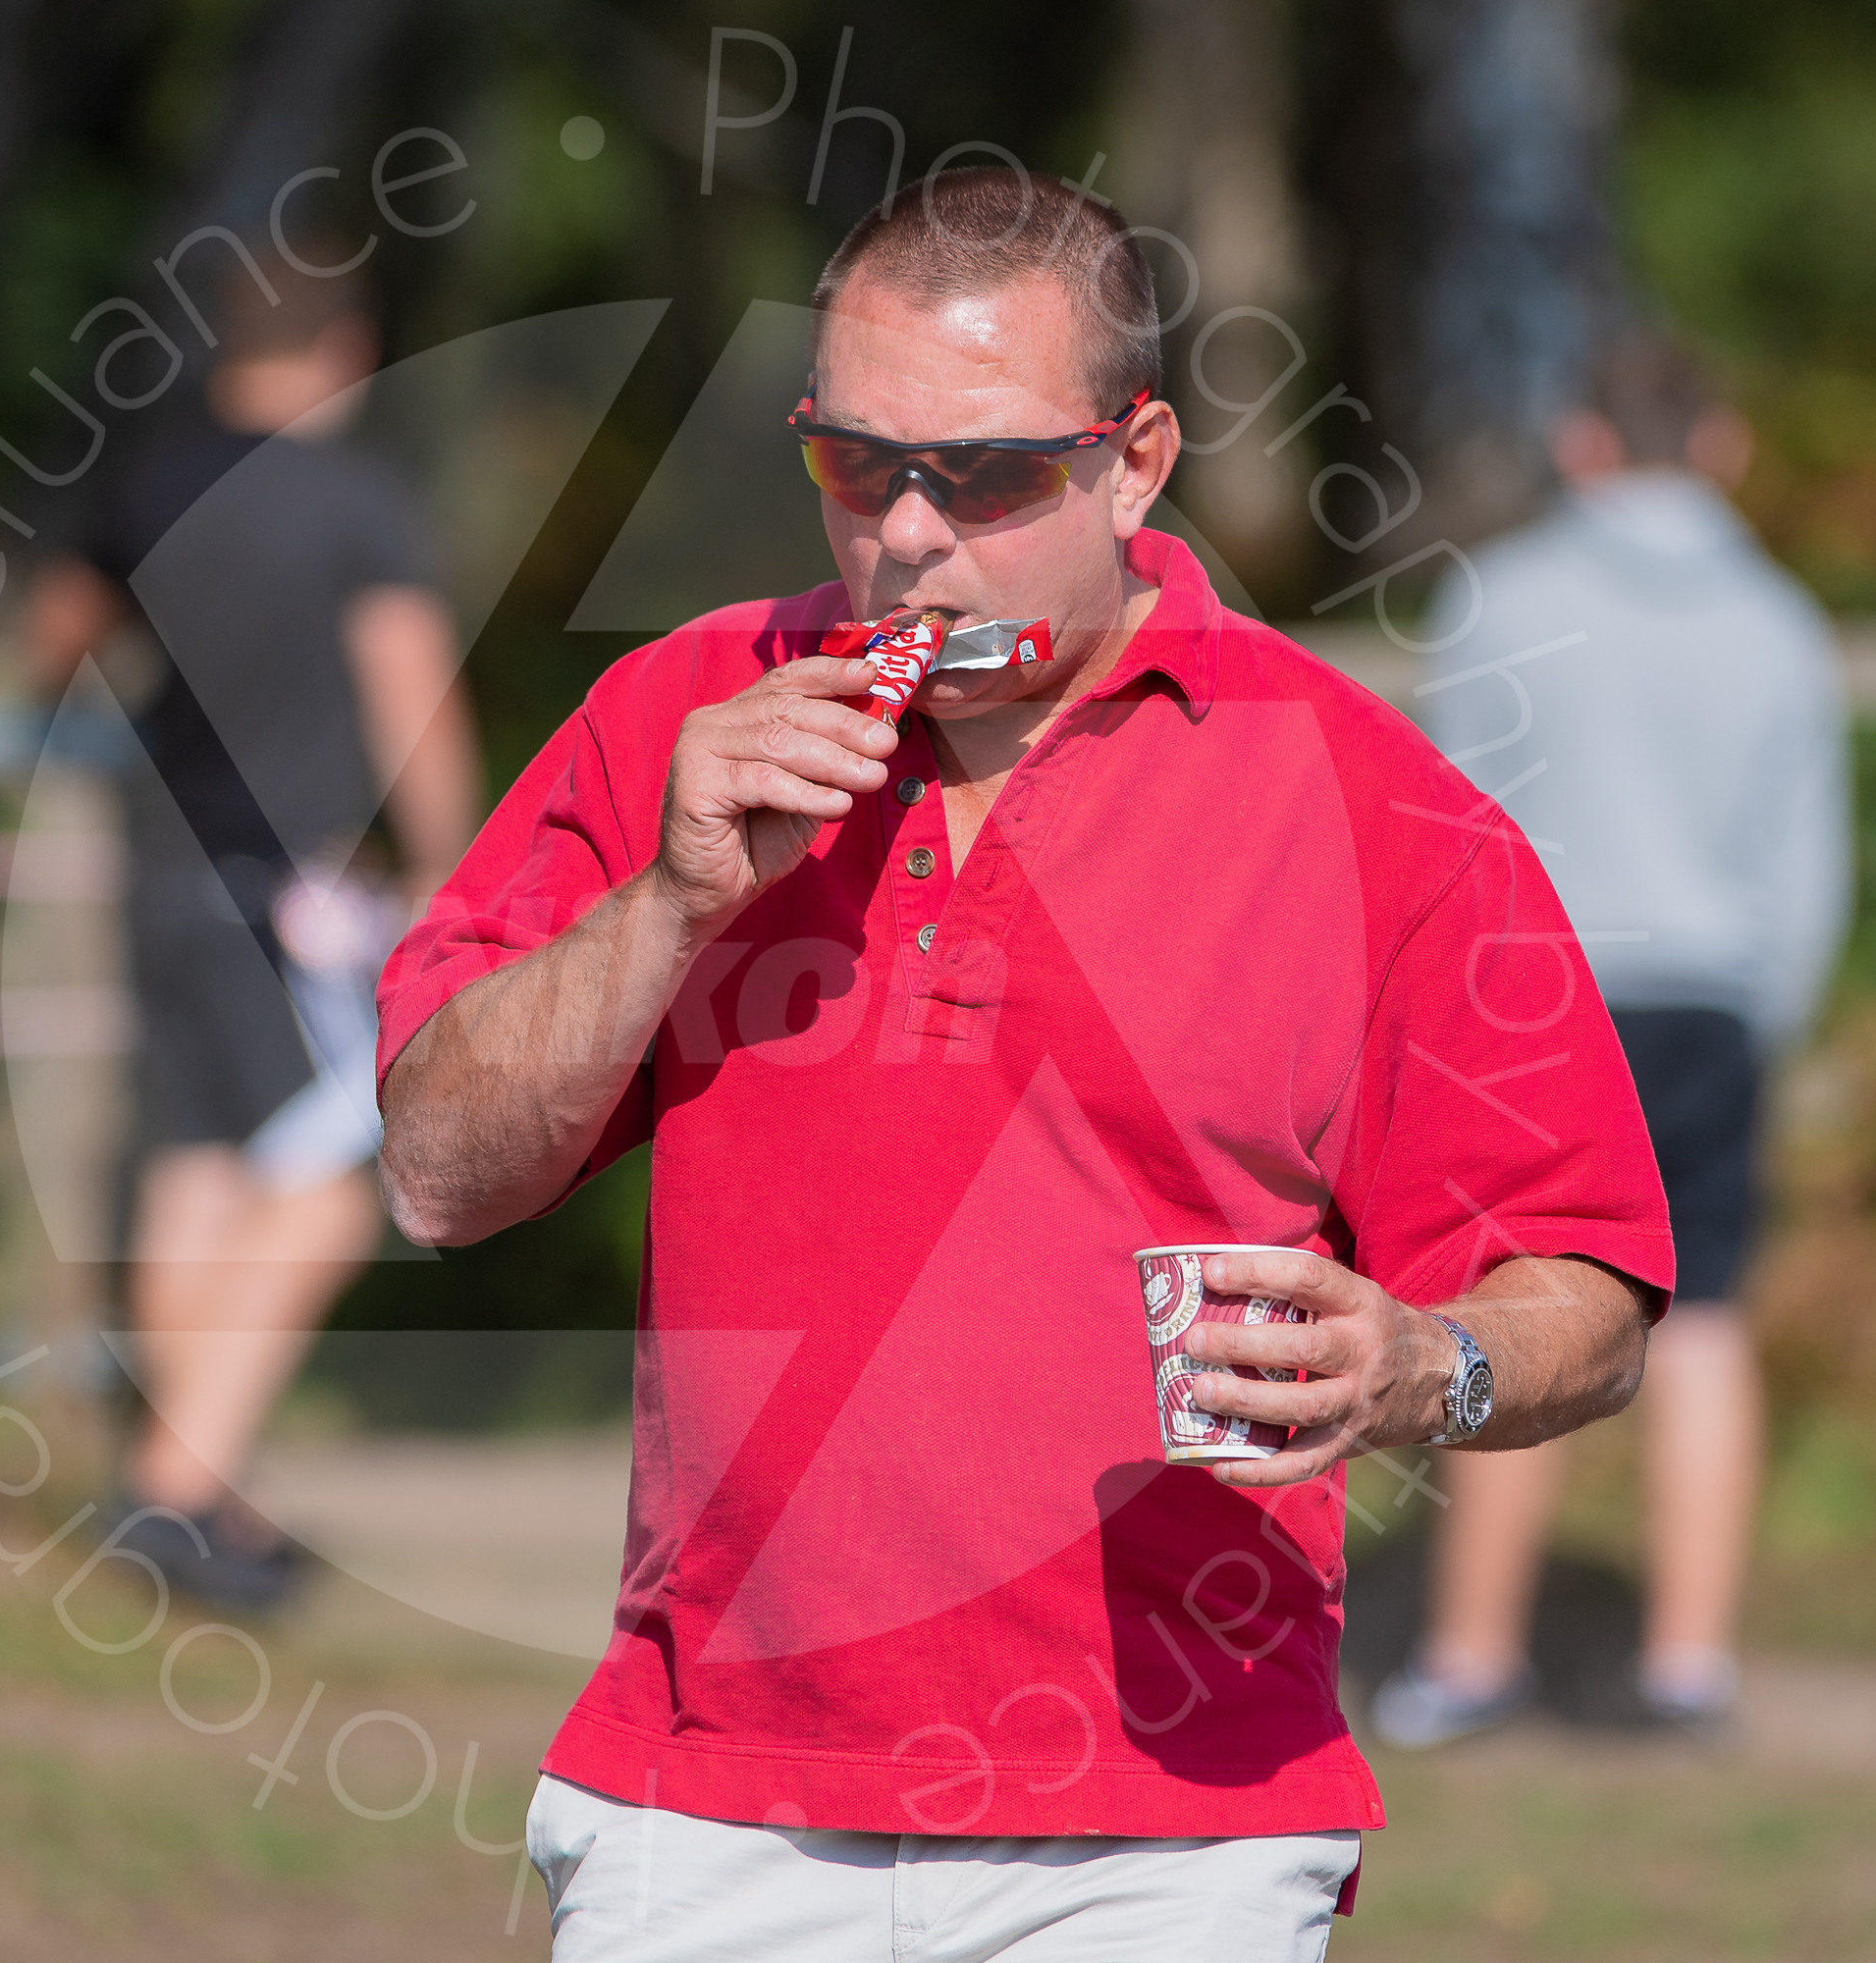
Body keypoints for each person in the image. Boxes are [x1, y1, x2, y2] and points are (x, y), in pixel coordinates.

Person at [375, 166, 1675, 1961]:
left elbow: (1587, 1280)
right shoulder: (686, 710)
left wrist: (1421, 1367)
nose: (909, 534)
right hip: (713, 1799)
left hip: (1174, 1830)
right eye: (854, 463)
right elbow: (438, 1172)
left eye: (983, 475)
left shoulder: (1381, 808)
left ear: (1133, 463)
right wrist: (670, 907)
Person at [1374, 338, 1851, 1745]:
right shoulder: (1779, 622)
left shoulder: (1498, 600)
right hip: (1712, 1002)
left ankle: (1467, 1659)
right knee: (1702, 1323)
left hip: (1535, 1001)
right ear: (1723, 447)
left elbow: (1444, 821)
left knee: (1509, 1306)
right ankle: (1687, 1662)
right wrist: (1764, 1012)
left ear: (1584, 445)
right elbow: (1805, 864)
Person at [22, 250, 478, 1606]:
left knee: (195, 1173)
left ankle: (209, 1502)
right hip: (299, 891)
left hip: (157, 866)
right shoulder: (353, 502)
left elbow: (56, 638)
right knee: (335, 1189)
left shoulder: (151, 479)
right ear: (346, 347)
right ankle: (171, 1494)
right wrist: (452, 868)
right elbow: (411, 691)